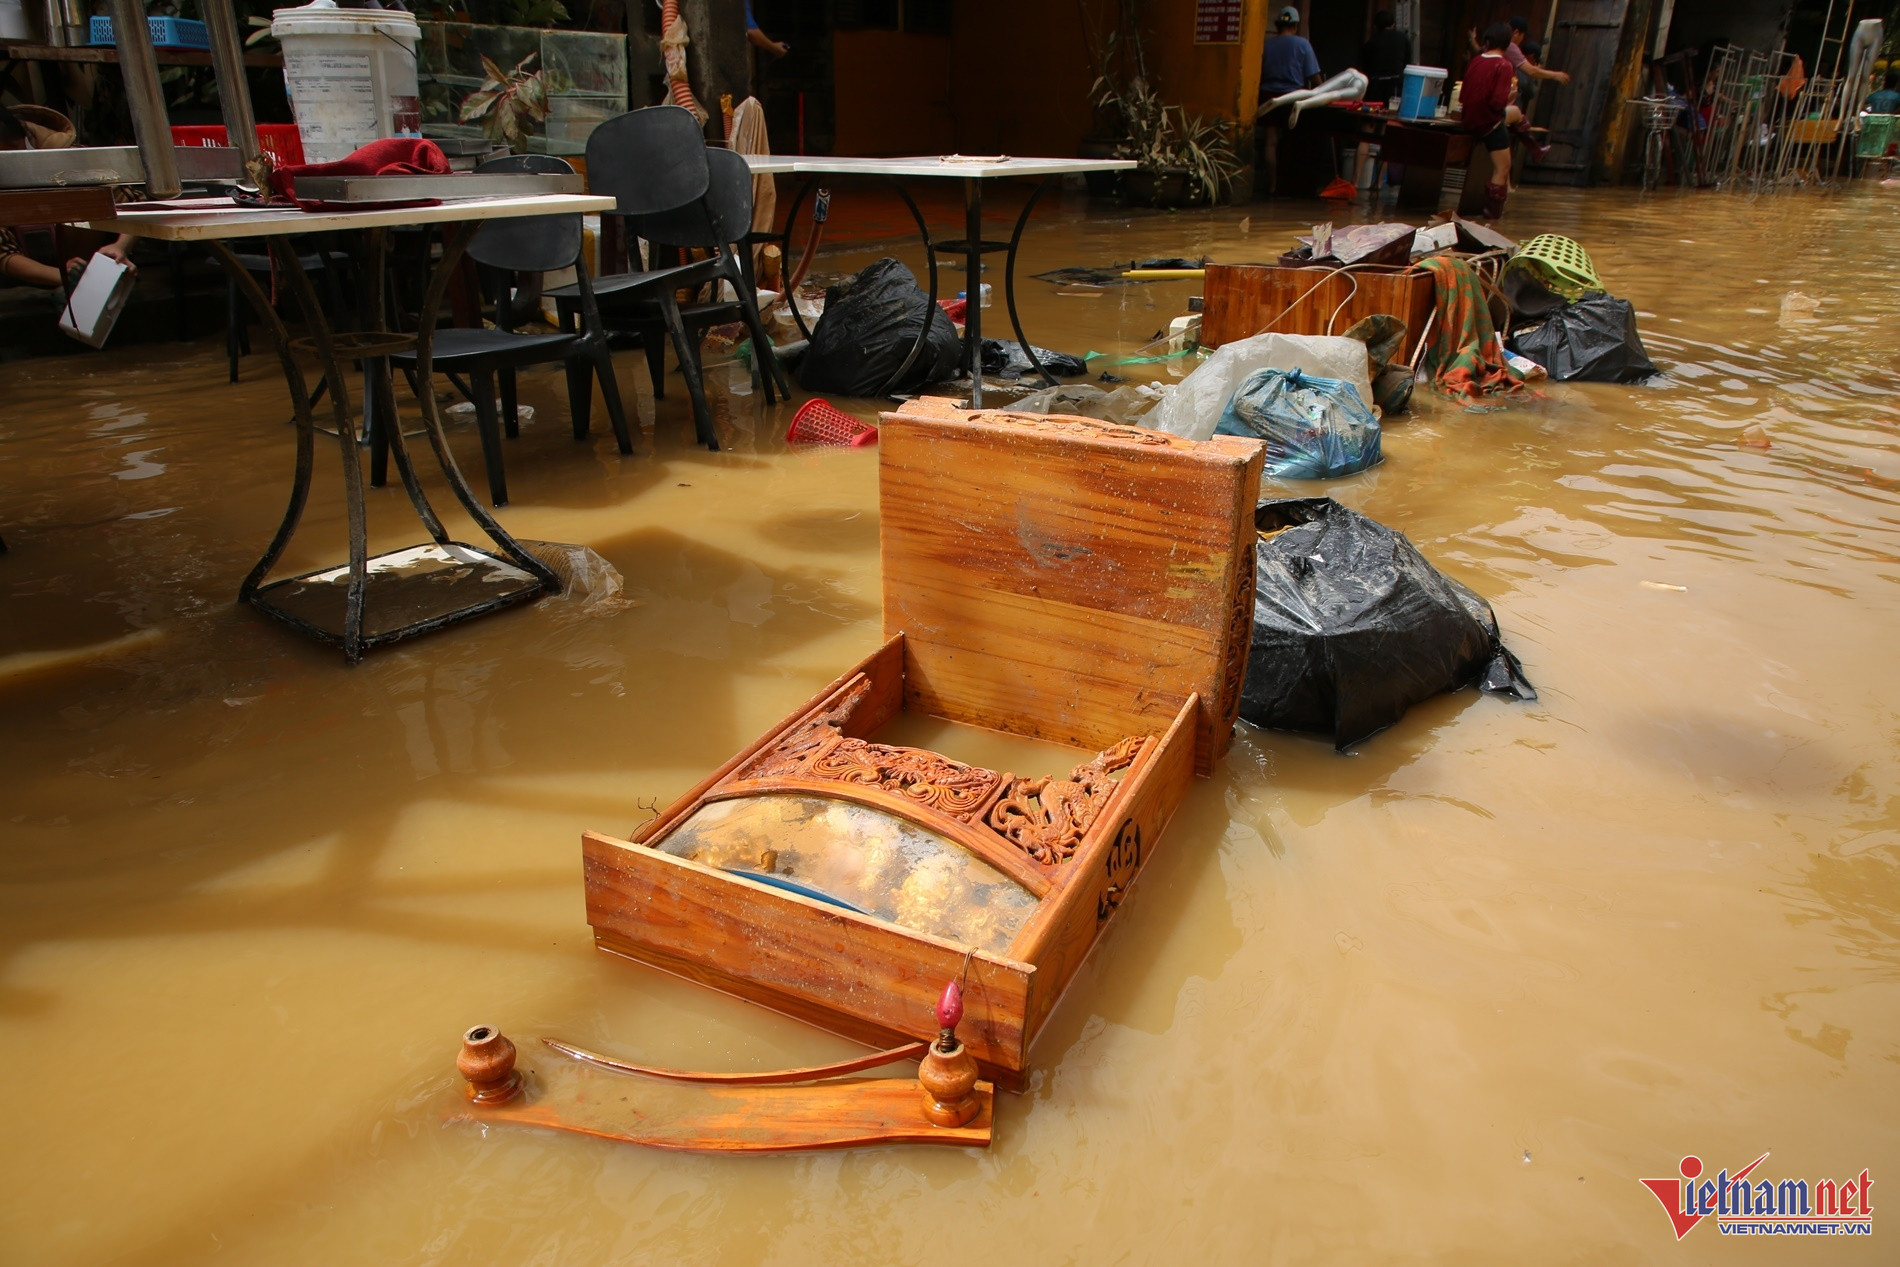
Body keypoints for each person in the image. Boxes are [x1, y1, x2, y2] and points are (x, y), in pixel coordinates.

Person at [0, 107, 138, 293]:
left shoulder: (74, 158)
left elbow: (134, 205)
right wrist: (63, 276)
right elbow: (3, 252)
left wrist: (120, 247)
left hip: (99, 262)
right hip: (32, 276)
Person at [1256, 6, 1322, 194]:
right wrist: (1323, 90)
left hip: (1268, 97)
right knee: (1291, 142)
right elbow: (1313, 76)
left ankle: (1273, 185)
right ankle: (1288, 185)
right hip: (1292, 98)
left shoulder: (1266, 44)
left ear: (1278, 25)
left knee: (1270, 141)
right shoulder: (1303, 44)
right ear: (1295, 26)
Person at [1461, 22, 1520, 219]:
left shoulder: (1475, 61)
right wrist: (1511, 95)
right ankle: (1492, 214)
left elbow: (1463, 95)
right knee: (1502, 168)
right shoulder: (1504, 65)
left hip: (1469, 119)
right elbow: (1497, 102)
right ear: (1507, 43)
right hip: (1488, 123)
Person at [1359, 10, 1412, 106]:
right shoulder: (1403, 38)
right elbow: (1407, 62)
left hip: (1376, 85)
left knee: (1375, 111)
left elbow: (1366, 67)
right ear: (1393, 25)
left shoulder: (1371, 42)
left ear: (1375, 26)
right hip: (1396, 83)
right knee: (1394, 111)